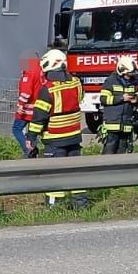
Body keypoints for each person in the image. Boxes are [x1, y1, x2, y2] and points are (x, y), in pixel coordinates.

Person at [26, 48, 88, 208]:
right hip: (74, 136)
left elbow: (39, 117)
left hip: (54, 139)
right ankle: (81, 205)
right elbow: (79, 100)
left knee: (54, 174)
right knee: (76, 173)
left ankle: (54, 208)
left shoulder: (47, 89)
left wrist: (31, 138)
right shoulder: (77, 83)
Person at [98, 55, 138, 155]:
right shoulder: (110, 81)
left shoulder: (133, 82)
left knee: (122, 153)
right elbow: (103, 99)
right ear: (121, 70)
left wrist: (136, 100)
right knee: (109, 152)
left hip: (126, 125)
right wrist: (122, 98)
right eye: (128, 73)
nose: (130, 76)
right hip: (112, 125)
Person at [12, 50, 43, 155]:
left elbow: (26, 91)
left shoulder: (29, 72)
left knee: (16, 129)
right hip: (39, 107)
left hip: (27, 109)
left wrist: (20, 105)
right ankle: (33, 148)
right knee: (32, 132)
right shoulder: (41, 70)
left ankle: (29, 150)